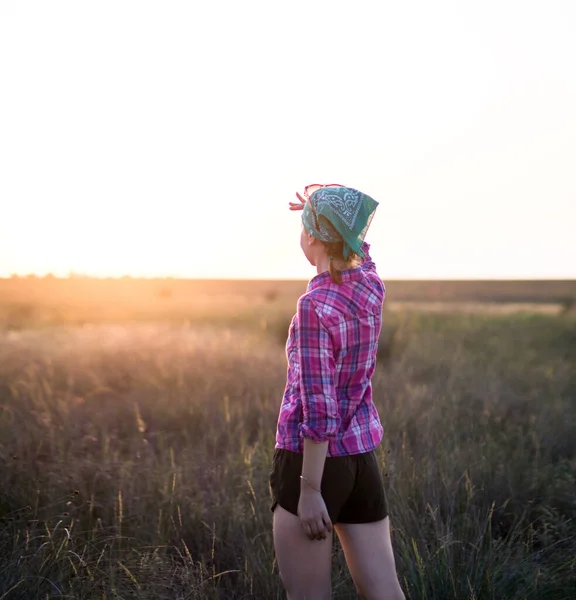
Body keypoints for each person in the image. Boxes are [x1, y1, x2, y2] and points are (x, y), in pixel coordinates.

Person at [270, 184, 405, 600]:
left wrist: (310, 491)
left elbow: (320, 409)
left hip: (313, 466)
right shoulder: (370, 285)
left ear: (310, 236)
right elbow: (360, 250)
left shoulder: (314, 306)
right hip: (361, 461)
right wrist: (327, 208)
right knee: (386, 594)